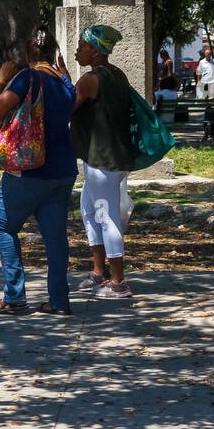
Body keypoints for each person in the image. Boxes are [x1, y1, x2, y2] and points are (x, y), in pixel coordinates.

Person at [0, 27, 78, 316]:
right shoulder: (65, 82)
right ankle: (59, 301)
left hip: (29, 167)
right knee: (55, 238)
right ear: (53, 52)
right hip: (63, 169)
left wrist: (2, 80)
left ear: (29, 54)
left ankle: (14, 296)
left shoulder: (27, 77)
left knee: (3, 225)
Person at [70, 25, 136, 300]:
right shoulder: (117, 75)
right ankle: (100, 272)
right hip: (107, 158)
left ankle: (119, 282)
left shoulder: (90, 80)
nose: (77, 51)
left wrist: (62, 78)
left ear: (95, 51)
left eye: (82, 46)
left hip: (103, 160)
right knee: (89, 211)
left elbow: (67, 106)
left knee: (106, 217)